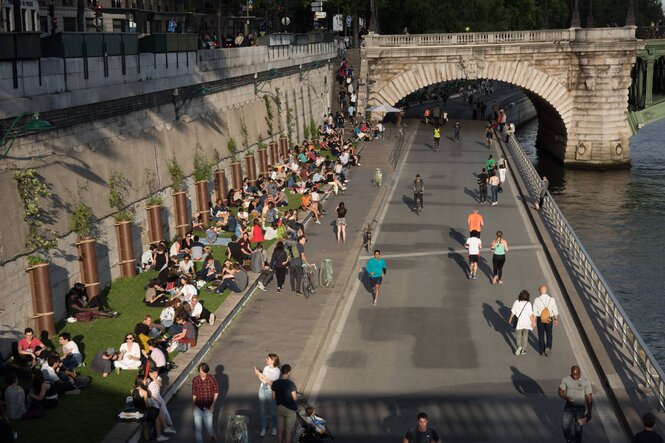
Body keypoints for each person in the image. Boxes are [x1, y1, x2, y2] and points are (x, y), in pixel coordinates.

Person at [558, 365, 593, 443]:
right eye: (573, 375)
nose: (575, 377)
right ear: (571, 373)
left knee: (578, 429)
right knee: (565, 426)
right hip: (569, 407)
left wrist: (589, 413)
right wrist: (566, 398)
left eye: (576, 375)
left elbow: (589, 397)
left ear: (580, 373)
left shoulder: (585, 382)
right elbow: (560, 392)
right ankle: (569, 438)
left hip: (580, 408)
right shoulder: (566, 379)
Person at [132, 376, 170, 441]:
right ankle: (159, 435)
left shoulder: (133, 390)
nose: (146, 381)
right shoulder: (144, 392)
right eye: (144, 380)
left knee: (156, 410)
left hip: (137, 410)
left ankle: (158, 432)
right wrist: (153, 405)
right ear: (141, 382)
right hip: (144, 411)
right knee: (157, 412)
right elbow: (146, 405)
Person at [254, 354, 281, 437]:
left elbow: (272, 384)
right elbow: (263, 380)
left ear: (273, 360)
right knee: (263, 411)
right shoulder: (266, 368)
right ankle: (263, 428)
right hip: (262, 390)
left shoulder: (277, 371)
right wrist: (258, 374)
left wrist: (261, 375)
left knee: (273, 411)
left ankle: (274, 427)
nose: (266, 359)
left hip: (271, 392)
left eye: (268, 358)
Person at [192, 362, 219, 443]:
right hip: (198, 407)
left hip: (208, 406)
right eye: (200, 372)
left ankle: (213, 438)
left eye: (203, 372)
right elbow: (194, 394)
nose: (202, 374)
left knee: (209, 428)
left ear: (206, 371)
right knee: (198, 429)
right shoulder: (196, 380)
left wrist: (213, 405)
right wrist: (193, 406)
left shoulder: (212, 378)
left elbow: (216, 392)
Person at [272, 364, 298, 443]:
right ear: (289, 372)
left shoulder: (275, 383)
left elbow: (273, 397)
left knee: (280, 430)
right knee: (288, 431)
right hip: (290, 409)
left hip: (279, 408)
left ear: (281, 371)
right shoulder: (291, 384)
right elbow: (294, 398)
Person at [533, 285, 559, 356]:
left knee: (541, 334)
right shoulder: (552, 299)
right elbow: (555, 310)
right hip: (549, 319)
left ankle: (542, 350)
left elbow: (534, 312)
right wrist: (555, 319)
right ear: (546, 291)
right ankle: (548, 347)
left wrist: (533, 321)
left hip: (540, 319)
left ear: (541, 291)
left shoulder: (537, 300)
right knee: (549, 334)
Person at [508, 290, 535, 356]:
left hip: (519, 322)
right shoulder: (528, 304)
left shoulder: (516, 302)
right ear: (527, 297)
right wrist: (533, 322)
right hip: (527, 323)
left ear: (520, 295)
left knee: (518, 335)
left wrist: (510, 318)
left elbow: (513, 312)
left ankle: (518, 346)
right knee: (525, 336)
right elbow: (530, 314)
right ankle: (523, 350)